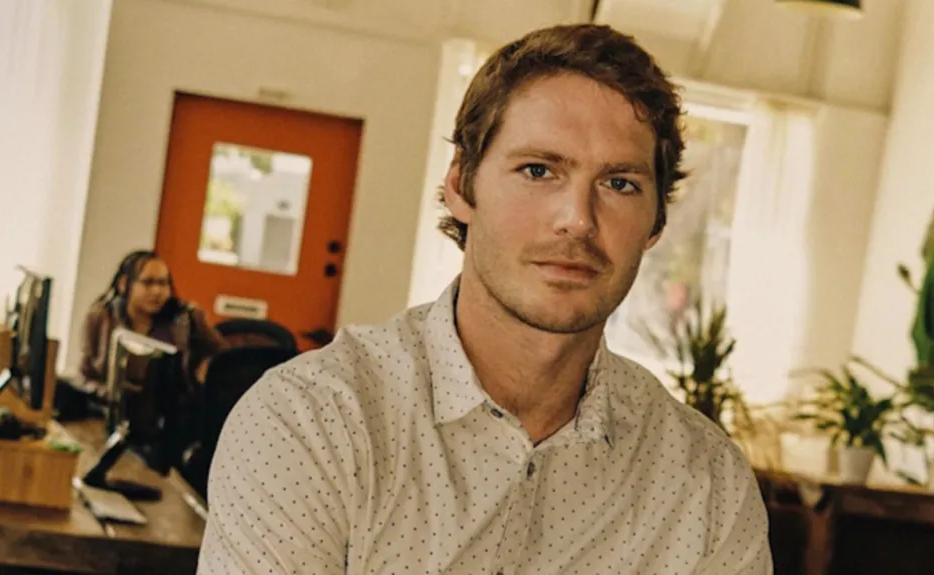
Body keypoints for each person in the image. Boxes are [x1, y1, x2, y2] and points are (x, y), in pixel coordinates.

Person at [198, 23, 772, 575]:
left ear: (655, 222)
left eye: (620, 183)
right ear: (462, 184)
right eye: (539, 170)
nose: (577, 219)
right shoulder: (311, 424)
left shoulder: (706, 486)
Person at [79, 250, 226, 395]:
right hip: (112, 404)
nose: (157, 291)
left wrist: (205, 367)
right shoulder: (102, 317)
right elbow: (86, 374)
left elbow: (221, 354)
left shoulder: (187, 317)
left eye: (163, 283)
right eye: (148, 282)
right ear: (124, 284)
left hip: (169, 406)